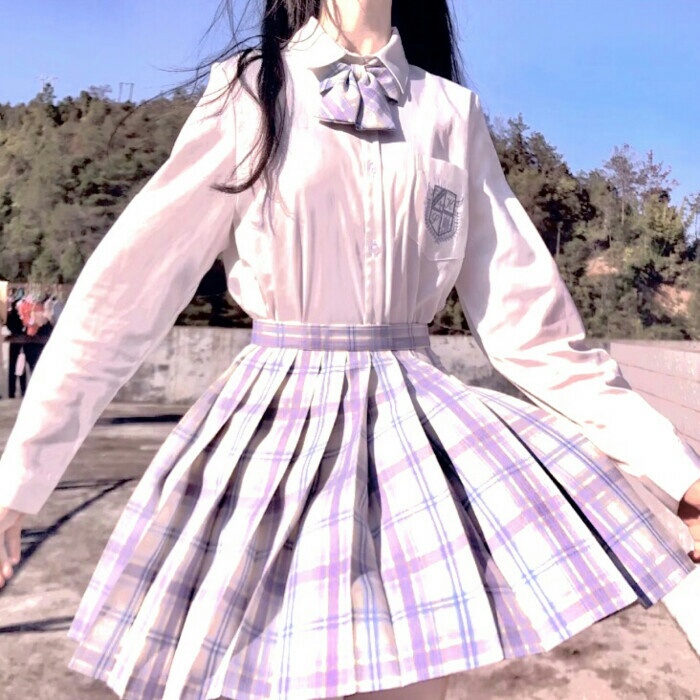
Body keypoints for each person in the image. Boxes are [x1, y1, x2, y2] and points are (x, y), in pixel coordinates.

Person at [0, 1, 699, 699]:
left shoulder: (450, 112)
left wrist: (680, 474)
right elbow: (123, 297)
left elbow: (535, 332)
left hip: (411, 456)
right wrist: (18, 482)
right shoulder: (251, 93)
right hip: (274, 445)